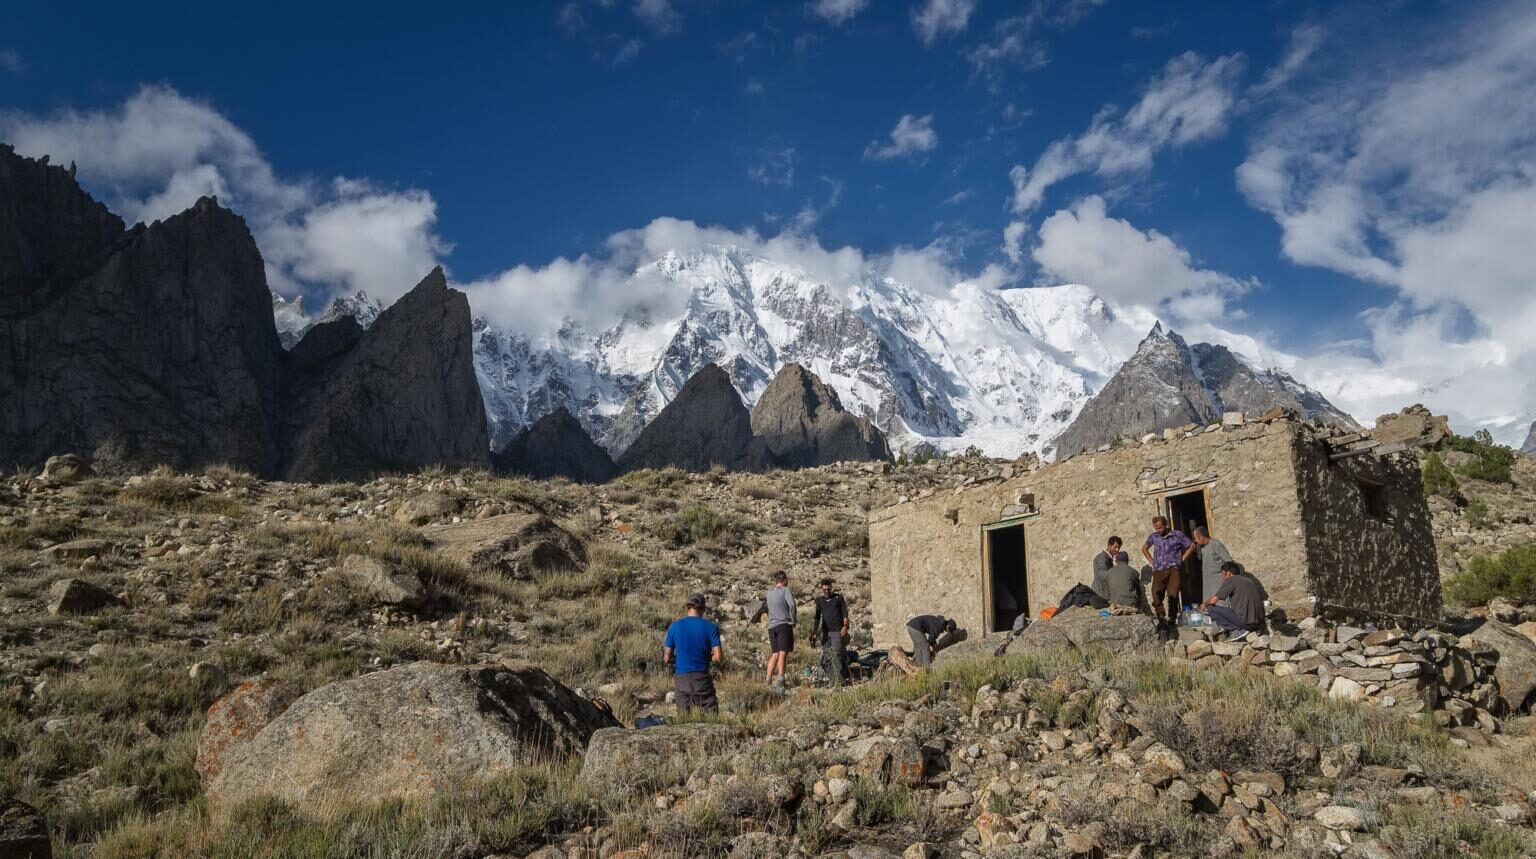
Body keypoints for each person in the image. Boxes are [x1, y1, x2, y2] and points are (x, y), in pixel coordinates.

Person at [662, 593, 722, 713]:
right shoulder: (711, 627)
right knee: (710, 715)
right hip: (701, 678)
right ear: (703, 609)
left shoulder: (674, 627)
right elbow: (718, 657)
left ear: (687, 608)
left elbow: (666, 658)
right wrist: (706, 657)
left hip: (681, 678)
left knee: (684, 718)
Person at [1141, 516, 1196, 621]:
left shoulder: (1177, 535)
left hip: (1173, 569)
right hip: (1159, 569)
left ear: (1165, 525)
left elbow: (1192, 546)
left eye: (1160, 528)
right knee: (1156, 592)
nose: (1158, 530)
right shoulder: (1154, 536)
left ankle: (1172, 617)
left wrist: (1183, 558)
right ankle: (1160, 614)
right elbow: (1144, 548)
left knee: (1173, 594)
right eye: (1156, 528)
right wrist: (1152, 561)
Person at [750, 570, 796, 688]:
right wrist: (793, 620)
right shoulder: (786, 590)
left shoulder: (769, 592)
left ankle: (768, 680)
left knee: (775, 653)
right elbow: (792, 605)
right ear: (785, 580)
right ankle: (781, 680)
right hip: (783, 624)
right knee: (782, 653)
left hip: (772, 627)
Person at [1203, 561, 1268, 640]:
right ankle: (1246, 629)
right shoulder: (1249, 581)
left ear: (1228, 573)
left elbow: (1213, 600)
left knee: (1211, 608)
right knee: (1231, 611)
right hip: (1259, 623)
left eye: (1223, 574)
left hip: (1246, 623)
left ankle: (1236, 630)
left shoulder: (1231, 580)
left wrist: (1204, 604)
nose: (1222, 577)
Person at [811, 578, 850, 686]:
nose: (827, 591)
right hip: (825, 633)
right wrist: (814, 632)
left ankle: (839, 680)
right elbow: (817, 617)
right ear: (821, 589)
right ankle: (833, 679)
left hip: (837, 631)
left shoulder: (838, 598)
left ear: (831, 588)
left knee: (837, 655)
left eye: (828, 589)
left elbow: (845, 614)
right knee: (826, 657)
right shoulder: (820, 600)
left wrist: (845, 627)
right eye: (824, 590)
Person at [1191, 527, 1234, 602]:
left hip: (1218, 582)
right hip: (1209, 583)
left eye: (1195, 538)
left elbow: (1228, 561)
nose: (1195, 540)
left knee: (1220, 604)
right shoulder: (1203, 547)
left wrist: (1225, 575)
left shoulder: (1216, 544)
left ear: (1201, 538)